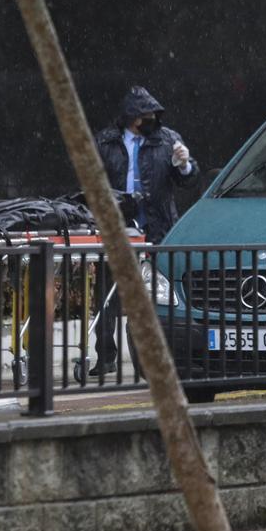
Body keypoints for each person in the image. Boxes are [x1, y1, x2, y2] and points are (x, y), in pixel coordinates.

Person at [88, 86, 200, 377]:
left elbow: (189, 181)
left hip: (156, 226)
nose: (150, 121)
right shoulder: (106, 142)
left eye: (153, 116)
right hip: (117, 226)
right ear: (131, 117)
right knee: (107, 293)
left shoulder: (168, 140)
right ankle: (105, 355)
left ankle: (145, 356)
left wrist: (185, 165)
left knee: (150, 294)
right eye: (144, 117)